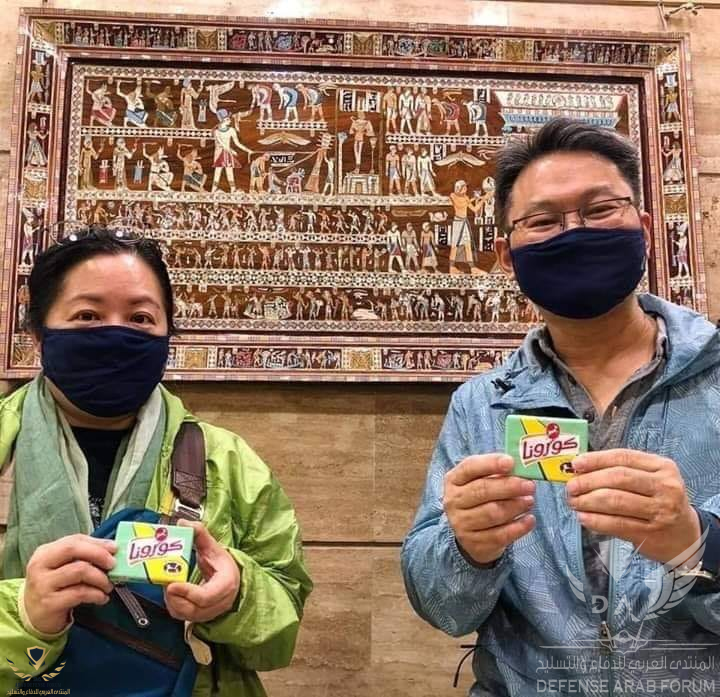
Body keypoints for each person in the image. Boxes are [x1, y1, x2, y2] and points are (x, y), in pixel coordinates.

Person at [402, 118, 720, 695]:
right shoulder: (482, 405)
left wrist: (697, 544)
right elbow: (441, 608)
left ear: (645, 228)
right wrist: (467, 549)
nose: (574, 233)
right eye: (544, 221)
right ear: (508, 255)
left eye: (600, 210)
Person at [0, 227, 312, 695]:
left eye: (140, 318)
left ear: (168, 336)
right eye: (88, 315)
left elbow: (279, 638)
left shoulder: (226, 462)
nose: (116, 333)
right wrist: (23, 613)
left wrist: (236, 597)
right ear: (39, 335)